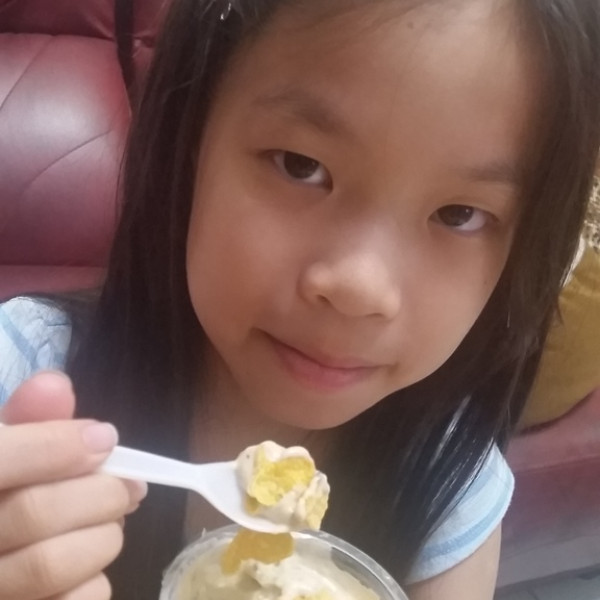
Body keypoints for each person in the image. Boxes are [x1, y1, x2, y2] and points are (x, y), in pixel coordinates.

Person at [1, 0, 599, 598]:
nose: (359, 288)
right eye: (301, 165)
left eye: (459, 214)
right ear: (191, 140)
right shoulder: (25, 377)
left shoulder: (450, 484)